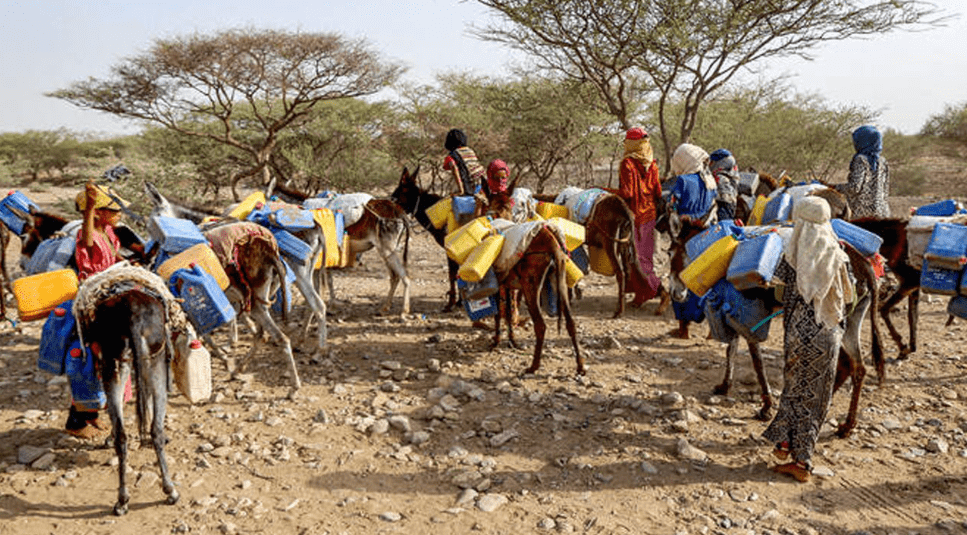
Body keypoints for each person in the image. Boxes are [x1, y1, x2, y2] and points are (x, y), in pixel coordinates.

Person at [763, 196, 855, 482]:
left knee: (793, 388)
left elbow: (776, 291)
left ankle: (797, 459)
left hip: (797, 336)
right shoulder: (839, 253)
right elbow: (848, 299)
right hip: (828, 334)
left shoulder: (792, 255)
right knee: (816, 396)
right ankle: (790, 448)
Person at [64, 180, 136, 439]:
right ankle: (76, 421)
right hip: (92, 292)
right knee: (92, 358)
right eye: (115, 211)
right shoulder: (88, 233)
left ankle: (93, 415)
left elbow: (113, 254)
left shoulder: (108, 230)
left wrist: (126, 263)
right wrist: (90, 207)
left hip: (111, 283)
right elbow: (87, 237)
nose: (120, 215)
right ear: (100, 212)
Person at [606, 127, 666, 306]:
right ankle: (642, 295)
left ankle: (659, 290)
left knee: (636, 257)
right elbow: (658, 191)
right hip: (650, 215)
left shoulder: (628, 164)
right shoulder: (652, 164)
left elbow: (627, 193)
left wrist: (606, 191)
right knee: (644, 256)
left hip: (634, 216)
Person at [836, 125, 890, 218]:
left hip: (862, 213)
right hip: (882, 212)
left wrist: (834, 187)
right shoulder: (883, 161)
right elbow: (885, 190)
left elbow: (854, 188)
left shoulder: (860, 160)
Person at [667, 143, 717, 227]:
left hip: (686, 230)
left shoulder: (682, 180)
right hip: (707, 229)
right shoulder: (710, 180)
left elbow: (672, 205)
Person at [443, 128, 487, 197]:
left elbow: (455, 169)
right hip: (482, 185)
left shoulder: (452, 156)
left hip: (470, 188)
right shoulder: (470, 151)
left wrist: (461, 191)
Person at [708, 148, 740, 222]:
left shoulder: (720, 176)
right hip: (729, 204)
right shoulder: (732, 173)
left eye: (712, 162)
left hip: (723, 204)